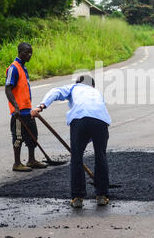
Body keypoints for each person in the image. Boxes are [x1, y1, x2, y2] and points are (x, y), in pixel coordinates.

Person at [31, 75, 111, 208]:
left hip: (80, 120)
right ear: (92, 85)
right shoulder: (97, 92)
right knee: (101, 156)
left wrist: (41, 106)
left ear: (78, 82)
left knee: (76, 158)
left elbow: (55, 91)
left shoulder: (74, 87)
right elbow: (97, 113)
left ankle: (77, 197)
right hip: (101, 121)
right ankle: (102, 195)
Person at [5, 42, 48, 172]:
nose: (29, 55)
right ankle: (17, 163)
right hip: (18, 112)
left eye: (31, 53)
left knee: (33, 136)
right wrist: (16, 107)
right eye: (26, 53)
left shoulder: (23, 68)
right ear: (20, 52)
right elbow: (8, 89)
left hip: (27, 110)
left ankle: (31, 160)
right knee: (18, 138)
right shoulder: (14, 68)